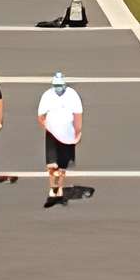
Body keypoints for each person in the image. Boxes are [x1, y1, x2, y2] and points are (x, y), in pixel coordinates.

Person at [36, 71, 84, 207]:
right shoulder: (47, 96)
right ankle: (53, 188)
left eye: (60, 85)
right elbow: (40, 116)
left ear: (64, 84)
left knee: (62, 166)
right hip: (52, 134)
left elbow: (78, 115)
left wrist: (77, 133)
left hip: (68, 133)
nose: (58, 88)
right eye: (56, 85)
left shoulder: (72, 95)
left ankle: (60, 189)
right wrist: (48, 127)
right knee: (52, 165)